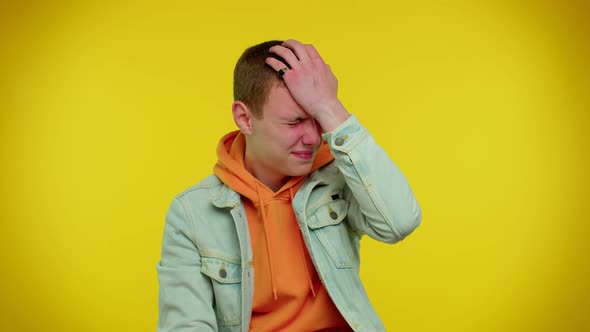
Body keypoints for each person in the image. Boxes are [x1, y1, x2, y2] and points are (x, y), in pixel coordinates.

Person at [156, 39, 422, 332]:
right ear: (245, 118)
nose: (312, 137)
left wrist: (330, 107)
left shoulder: (337, 180)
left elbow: (400, 223)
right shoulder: (191, 213)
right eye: (295, 121)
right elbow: (185, 326)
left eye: (317, 119)